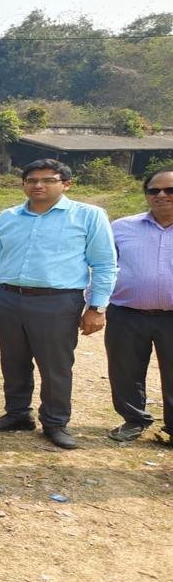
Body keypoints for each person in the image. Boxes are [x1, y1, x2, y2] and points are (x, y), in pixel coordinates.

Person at [0, 159, 117, 449]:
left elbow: (104, 264)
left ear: (66, 184)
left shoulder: (88, 216)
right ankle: (17, 415)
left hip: (57, 302)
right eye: (31, 180)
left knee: (56, 366)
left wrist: (96, 307)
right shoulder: (8, 216)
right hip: (9, 298)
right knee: (13, 362)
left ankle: (55, 422)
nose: (38, 185)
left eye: (48, 180)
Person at [104, 167, 173, 443]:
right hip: (127, 314)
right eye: (154, 190)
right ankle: (134, 419)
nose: (161, 195)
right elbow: (103, 267)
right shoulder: (122, 227)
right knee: (125, 370)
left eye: (170, 190)